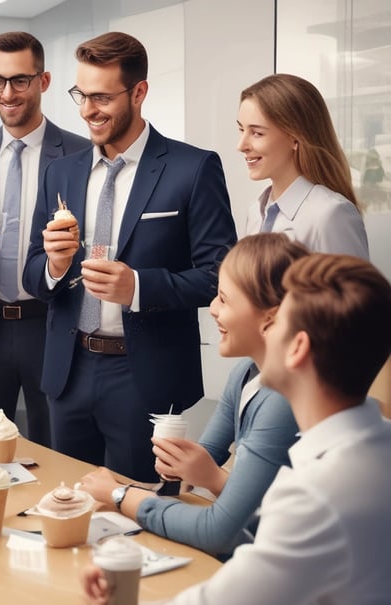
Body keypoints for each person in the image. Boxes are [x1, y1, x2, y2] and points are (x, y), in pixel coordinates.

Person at [83, 252, 391, 604]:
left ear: (298, 348)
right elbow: (267, 554)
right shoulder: (372, 449)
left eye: (274, 323)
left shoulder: (315, 495)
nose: (264, 330)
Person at [24, 31, 237, 480]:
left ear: (138, 92)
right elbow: (32, 271)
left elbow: (222, 275)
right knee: (69, 500)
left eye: (101, 97)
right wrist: (55, 268)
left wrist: (138, 287)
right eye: (81, 95)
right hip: (68, 371)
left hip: (145, 378)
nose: (87, 110)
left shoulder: (193, 168)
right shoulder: (59, 172)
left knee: (141, 516)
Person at [78, 233, 303, 557]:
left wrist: (121, 495)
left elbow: (220, 529)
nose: (211, 308)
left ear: (270, 316)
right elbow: (205, 456)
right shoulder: (244, 374)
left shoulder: (281, 402)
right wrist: (176, 467)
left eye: (224, 299)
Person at [0, 31, 88, 445]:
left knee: (54, 452)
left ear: (43, 82)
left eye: (20, 81)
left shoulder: (80, 153)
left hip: (52, 327)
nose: (7, 93)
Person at [238, 73, 369, 257]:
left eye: (257, 133)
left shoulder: (331, 215)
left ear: (294, 137)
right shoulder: (256, 212)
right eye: (241, 130)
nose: (241, 146)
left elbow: (353, 287)